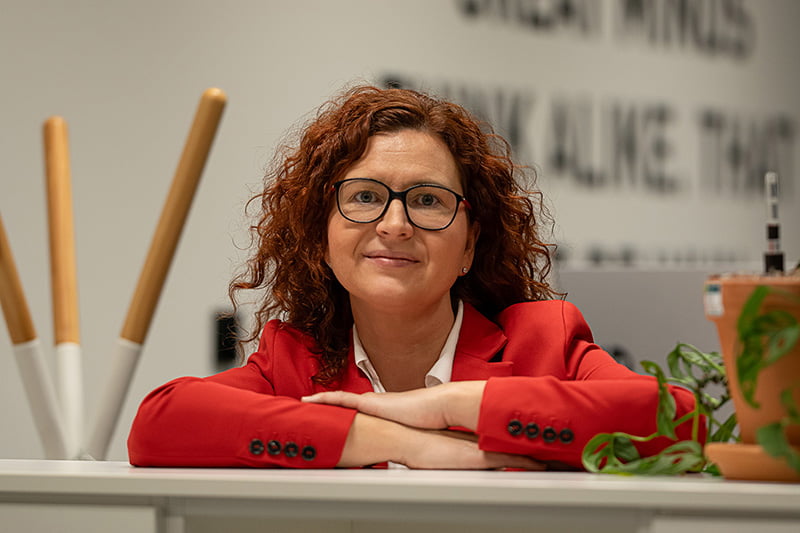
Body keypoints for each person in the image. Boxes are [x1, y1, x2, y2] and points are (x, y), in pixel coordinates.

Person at [127, 85, 702, 470]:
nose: (394, 225)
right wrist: (398, 441)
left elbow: (680, 425)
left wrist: (458, 407)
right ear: (321, 237)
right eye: (364, 197)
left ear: (469, 243)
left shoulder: (544, 342)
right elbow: (158, 423)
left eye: (427, 200)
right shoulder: (292, 361)